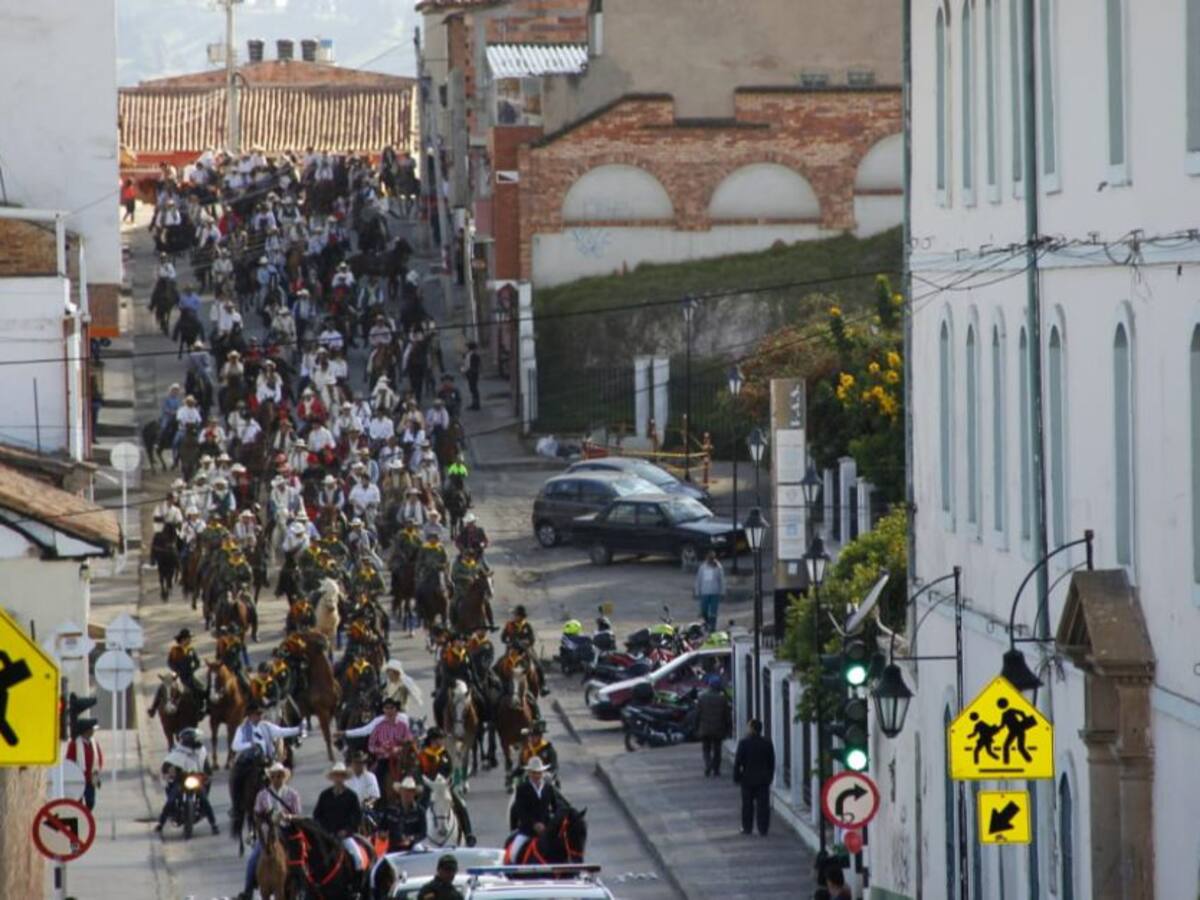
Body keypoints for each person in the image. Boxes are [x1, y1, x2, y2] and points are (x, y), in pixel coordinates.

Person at [238, 761, 301, 900]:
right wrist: (264, 821)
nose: (277, 779)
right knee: (254, 858)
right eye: (274, 776)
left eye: (279, 776)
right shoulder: (262, 795)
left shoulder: (292, 795)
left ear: (284, 777)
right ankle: (248, 890)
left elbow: (297, 815)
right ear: (270, 778)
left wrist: (287, 817)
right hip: (267, 833)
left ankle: (303, 887)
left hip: (286, 831)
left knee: (299, 859)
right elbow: (256, 815)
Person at [155, 727, 218, 836]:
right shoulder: (177, 752)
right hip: (181, 780)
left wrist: (207, 775)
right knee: (171, 800)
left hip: (196, 779)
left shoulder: (201, 751)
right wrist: (169, 772)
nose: (198, 742)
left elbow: (206, 766)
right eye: (195, 739)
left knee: (204, 799)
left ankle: (213, 824)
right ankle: (161, 823)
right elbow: (166, 766)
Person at [507, 757, 563, 860]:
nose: (536, 776)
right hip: (527, 830)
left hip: (546, 830)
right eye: (534, 773)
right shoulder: (522, 789)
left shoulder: (548, 788)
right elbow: (520, 811)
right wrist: (534, 824)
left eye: (539, 773)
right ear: (529, 773)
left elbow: (556, 808)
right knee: (513, 854)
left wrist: (552, 823)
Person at [732, 718, 775, 836]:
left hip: (747, 779)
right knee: (763, 805)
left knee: (747, 805)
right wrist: (770, 777)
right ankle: (763, 828)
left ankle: (747, 827)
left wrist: (736, 777)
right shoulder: (767, 743)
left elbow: (738, 762)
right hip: (763, 779)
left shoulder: (744, 743)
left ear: (751, 729)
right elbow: (771, 762)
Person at [230, 702, 303, 761]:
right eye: (258, 714)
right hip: (248, 762)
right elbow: (235, 746)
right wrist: (250, 745)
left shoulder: (266, 726)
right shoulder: (242, 729)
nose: (261, 716)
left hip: (267, 761)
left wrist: (298, 729)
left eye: (261, 714)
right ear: (250, 715)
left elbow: (281, 731)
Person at [313, 762, 363, 841]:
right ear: (333, 778)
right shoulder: (324, 795)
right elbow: (317, 815)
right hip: (327, 835)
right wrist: (324, 829)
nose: (338, 779)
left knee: (354, 852)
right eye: (336, 775)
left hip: (346, 836)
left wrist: (347, 830)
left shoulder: (352, 796)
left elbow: (357, 817)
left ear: (344, 778)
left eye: (341, 776)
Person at [695, 673, 732, 777]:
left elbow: (697, 714)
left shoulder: (702, 698)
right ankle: (716, 769)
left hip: (705, 728)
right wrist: (729, 729)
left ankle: (708, 764)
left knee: (706, 749)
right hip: (718, 729)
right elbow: (727, 716)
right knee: (717, 749)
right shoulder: (722, 699)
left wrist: (696, 727)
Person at [380, 775, 428, 852]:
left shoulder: (420, 812)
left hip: (412, 848)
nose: (407, 794)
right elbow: (381, 827)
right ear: (400, 792)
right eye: (405, 791)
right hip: (393, 849)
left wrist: (411, 839)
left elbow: (423, 833)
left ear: (414, 794)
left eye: (410, 791)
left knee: (419, 849)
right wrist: (382, 834)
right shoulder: (390, 810)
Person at [66, 717, 103, 810]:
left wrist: (97, 772)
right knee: (78, 802)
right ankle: (81, 817)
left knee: (90, 802)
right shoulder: (75, 744)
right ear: (86, 731)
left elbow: (99, 758)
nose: (93, 732)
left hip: (91, 778)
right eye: (91, 729)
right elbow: (69, 760)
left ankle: (86, 815)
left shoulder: (94, 743)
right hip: (78, 778)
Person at [693, 550, 726, 632]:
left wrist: (723, 592)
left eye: (712, 558)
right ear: (707, 558)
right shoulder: (702, 567)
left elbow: (722, 580)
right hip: (704, 593)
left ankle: (712, 628)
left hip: (715, 592)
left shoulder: (718, 567)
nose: (711, 560)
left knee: (713, 613)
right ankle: (706, 625)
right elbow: (698, 580)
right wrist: (697, 591)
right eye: (709, 558)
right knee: (703, 611)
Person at [462, 341, 481, 411]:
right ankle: (475, 403)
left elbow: (469, 365)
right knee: (472, 389)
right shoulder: (470, 354)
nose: (466, 348)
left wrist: (464, 370)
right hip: (472, 373)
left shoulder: (472, 355)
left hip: (472, 374)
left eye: (467, 347)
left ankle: (476, 404)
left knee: (473, 389)